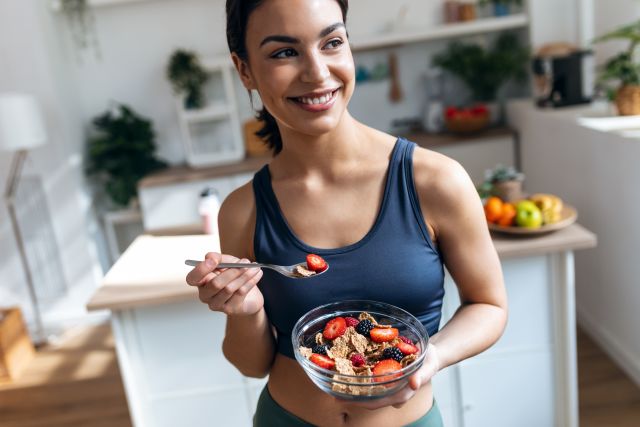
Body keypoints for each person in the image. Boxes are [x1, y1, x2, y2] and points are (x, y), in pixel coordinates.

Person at [185, 0, 508, 425]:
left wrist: (433, 357)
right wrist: (246, 311)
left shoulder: (435, 181)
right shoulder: (243, 209)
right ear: (244, 69)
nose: (317, 72)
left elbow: (489, 305)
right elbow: (251, 363)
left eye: (332, 42)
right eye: (284, 52)